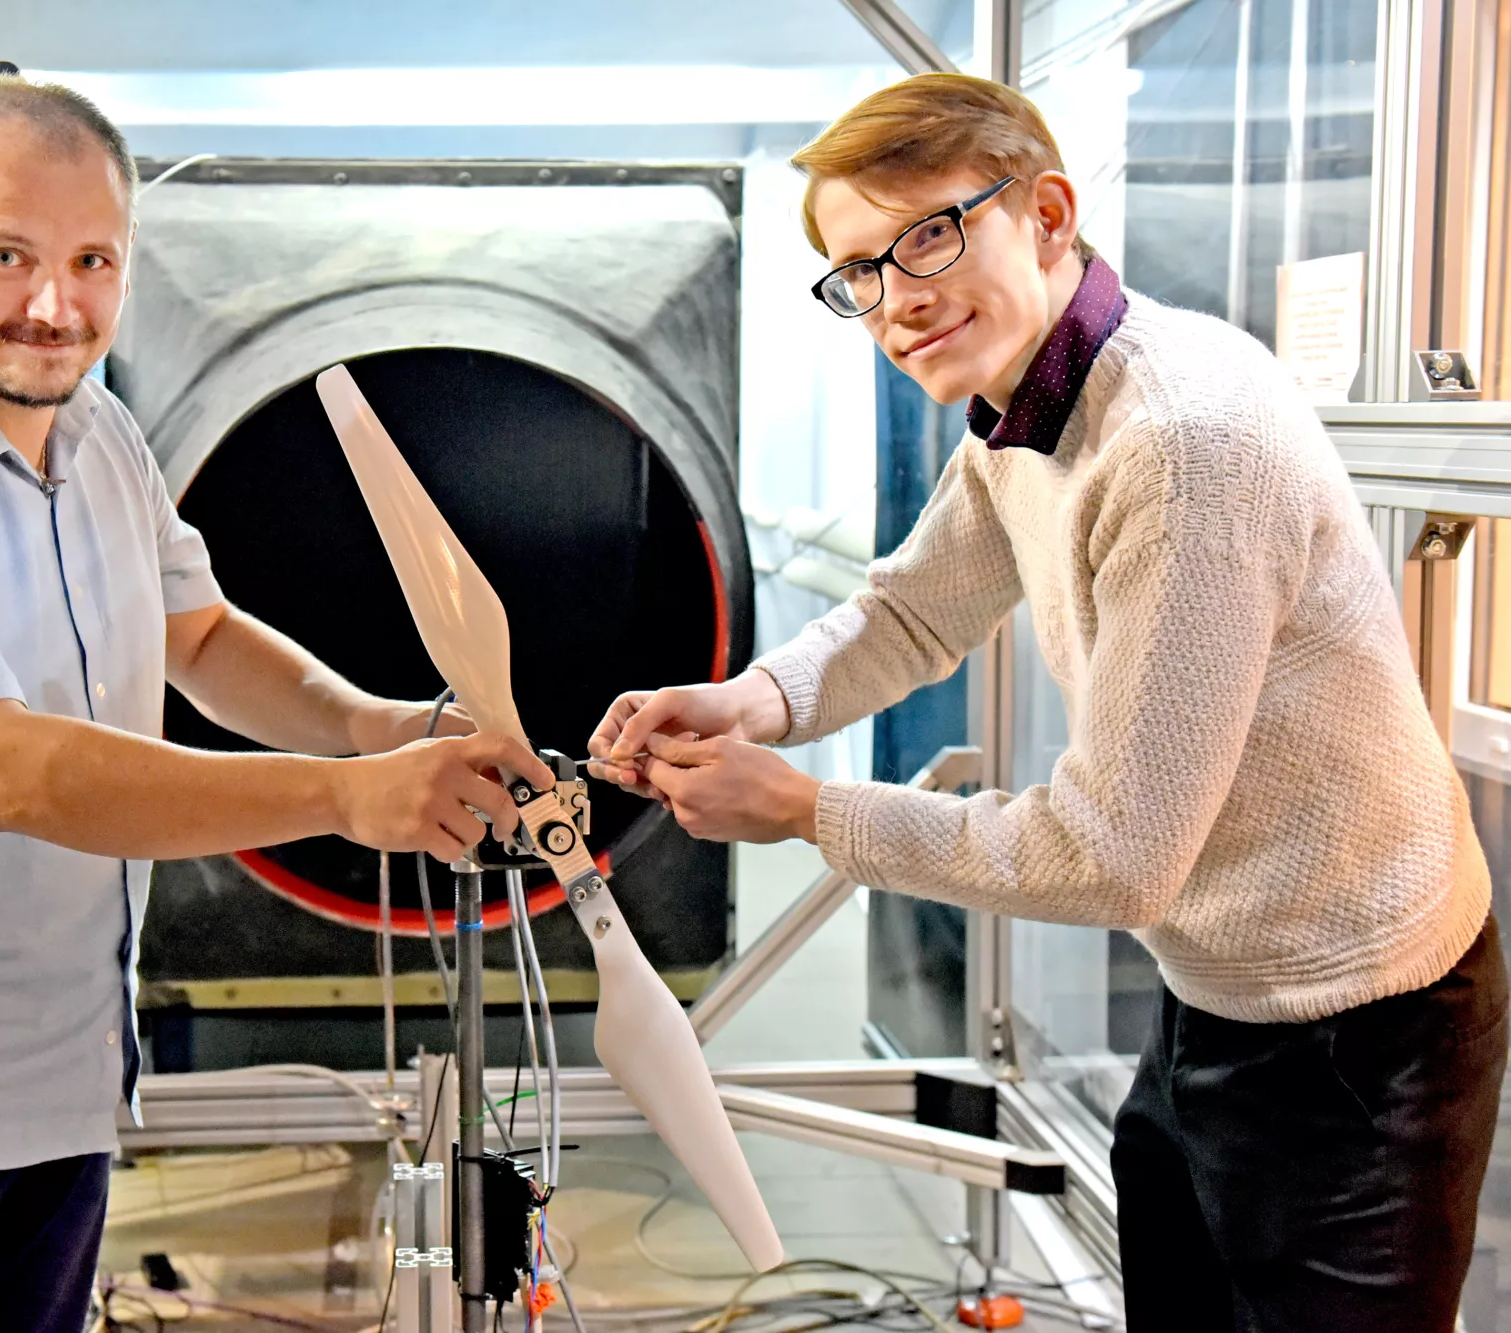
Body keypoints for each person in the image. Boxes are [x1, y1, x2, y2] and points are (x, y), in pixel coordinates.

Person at [589, 73, 1505, 1331]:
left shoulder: (1179, 442)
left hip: (1361, 1020)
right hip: (1218, 986)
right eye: (857, 270)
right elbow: (911, 611)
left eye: (927, 234)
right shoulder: (1025, 410)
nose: (895, 297)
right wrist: (749, 701)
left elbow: (1114, 858)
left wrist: (805, 810)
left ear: (1049, 214)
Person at [0, 72, 549, 1331]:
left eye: (92, 261)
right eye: (7, 256)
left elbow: (198, 634)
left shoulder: (97, 427)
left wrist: (367, 720)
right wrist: (341, 794)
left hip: (66, 1068)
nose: (55, 307)